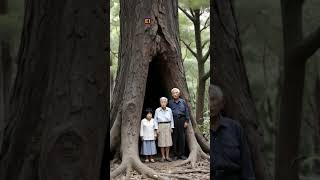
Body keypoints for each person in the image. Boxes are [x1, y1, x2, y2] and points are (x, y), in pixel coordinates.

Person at [209, 84, 255, 180]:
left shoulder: (235, 128)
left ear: (222, 104)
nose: (210, 104)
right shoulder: (199, 132)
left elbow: (246, 163)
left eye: (213, 99)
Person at [168, 88, 190, 160]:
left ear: (179, 94)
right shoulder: (170, 102)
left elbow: (187, 111)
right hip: (173, 120)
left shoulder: (183, 101)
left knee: (182, 137)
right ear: (172, 94)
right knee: (174, 137)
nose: (175, 94)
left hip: (182, 120)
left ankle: (182, 154)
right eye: (173, 93)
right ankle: (175, 155)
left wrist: (186, 121)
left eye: (176, 92)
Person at [154, 97, 174, 162]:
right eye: (162, 102)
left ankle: (167, 156)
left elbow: (171, 119)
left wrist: (171, 127)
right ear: (160, 103)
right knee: (161, 142)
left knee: (168, 142)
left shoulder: (169, 110)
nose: (163, 103)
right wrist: (156, 129)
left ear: (166, 103)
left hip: (168, 125)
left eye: (164, 102)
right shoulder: (157, 110)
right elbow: (155, 120)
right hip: (160, 125)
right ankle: (163, 156)